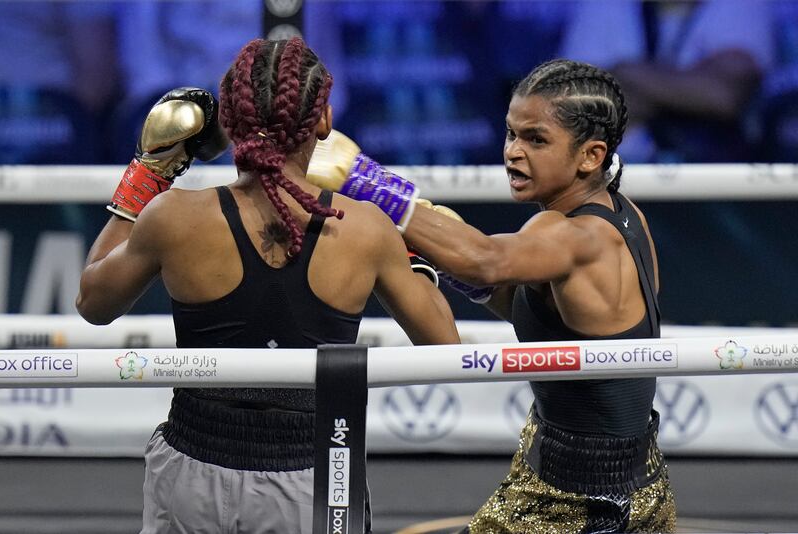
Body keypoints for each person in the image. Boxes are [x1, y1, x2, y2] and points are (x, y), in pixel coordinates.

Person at [75, 37, 460, 534]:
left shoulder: (174, 217)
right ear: (323, 121)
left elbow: (93, 301)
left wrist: (149, 172)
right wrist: (406, 239)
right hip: (315, 479)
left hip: (193, 470)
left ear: (227, 123)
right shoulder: (364, 229)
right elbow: (444, 347)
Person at [306, 59, 676, 533]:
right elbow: (535, 308)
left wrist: (367, 182)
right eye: (511, 134)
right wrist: (447, 256)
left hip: (575, 502)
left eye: (536, 140)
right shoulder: (624, 215)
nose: (514, 153)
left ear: (590, 155)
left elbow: (485, 260)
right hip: (630, 479)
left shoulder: (574, 234)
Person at [559, 0, 774, 163]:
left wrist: (626, 73)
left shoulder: (741, 5)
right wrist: (688, 94)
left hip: (712, 187)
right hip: (612, 181)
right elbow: (576, 108)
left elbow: (724, 96)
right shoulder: (603, 6)